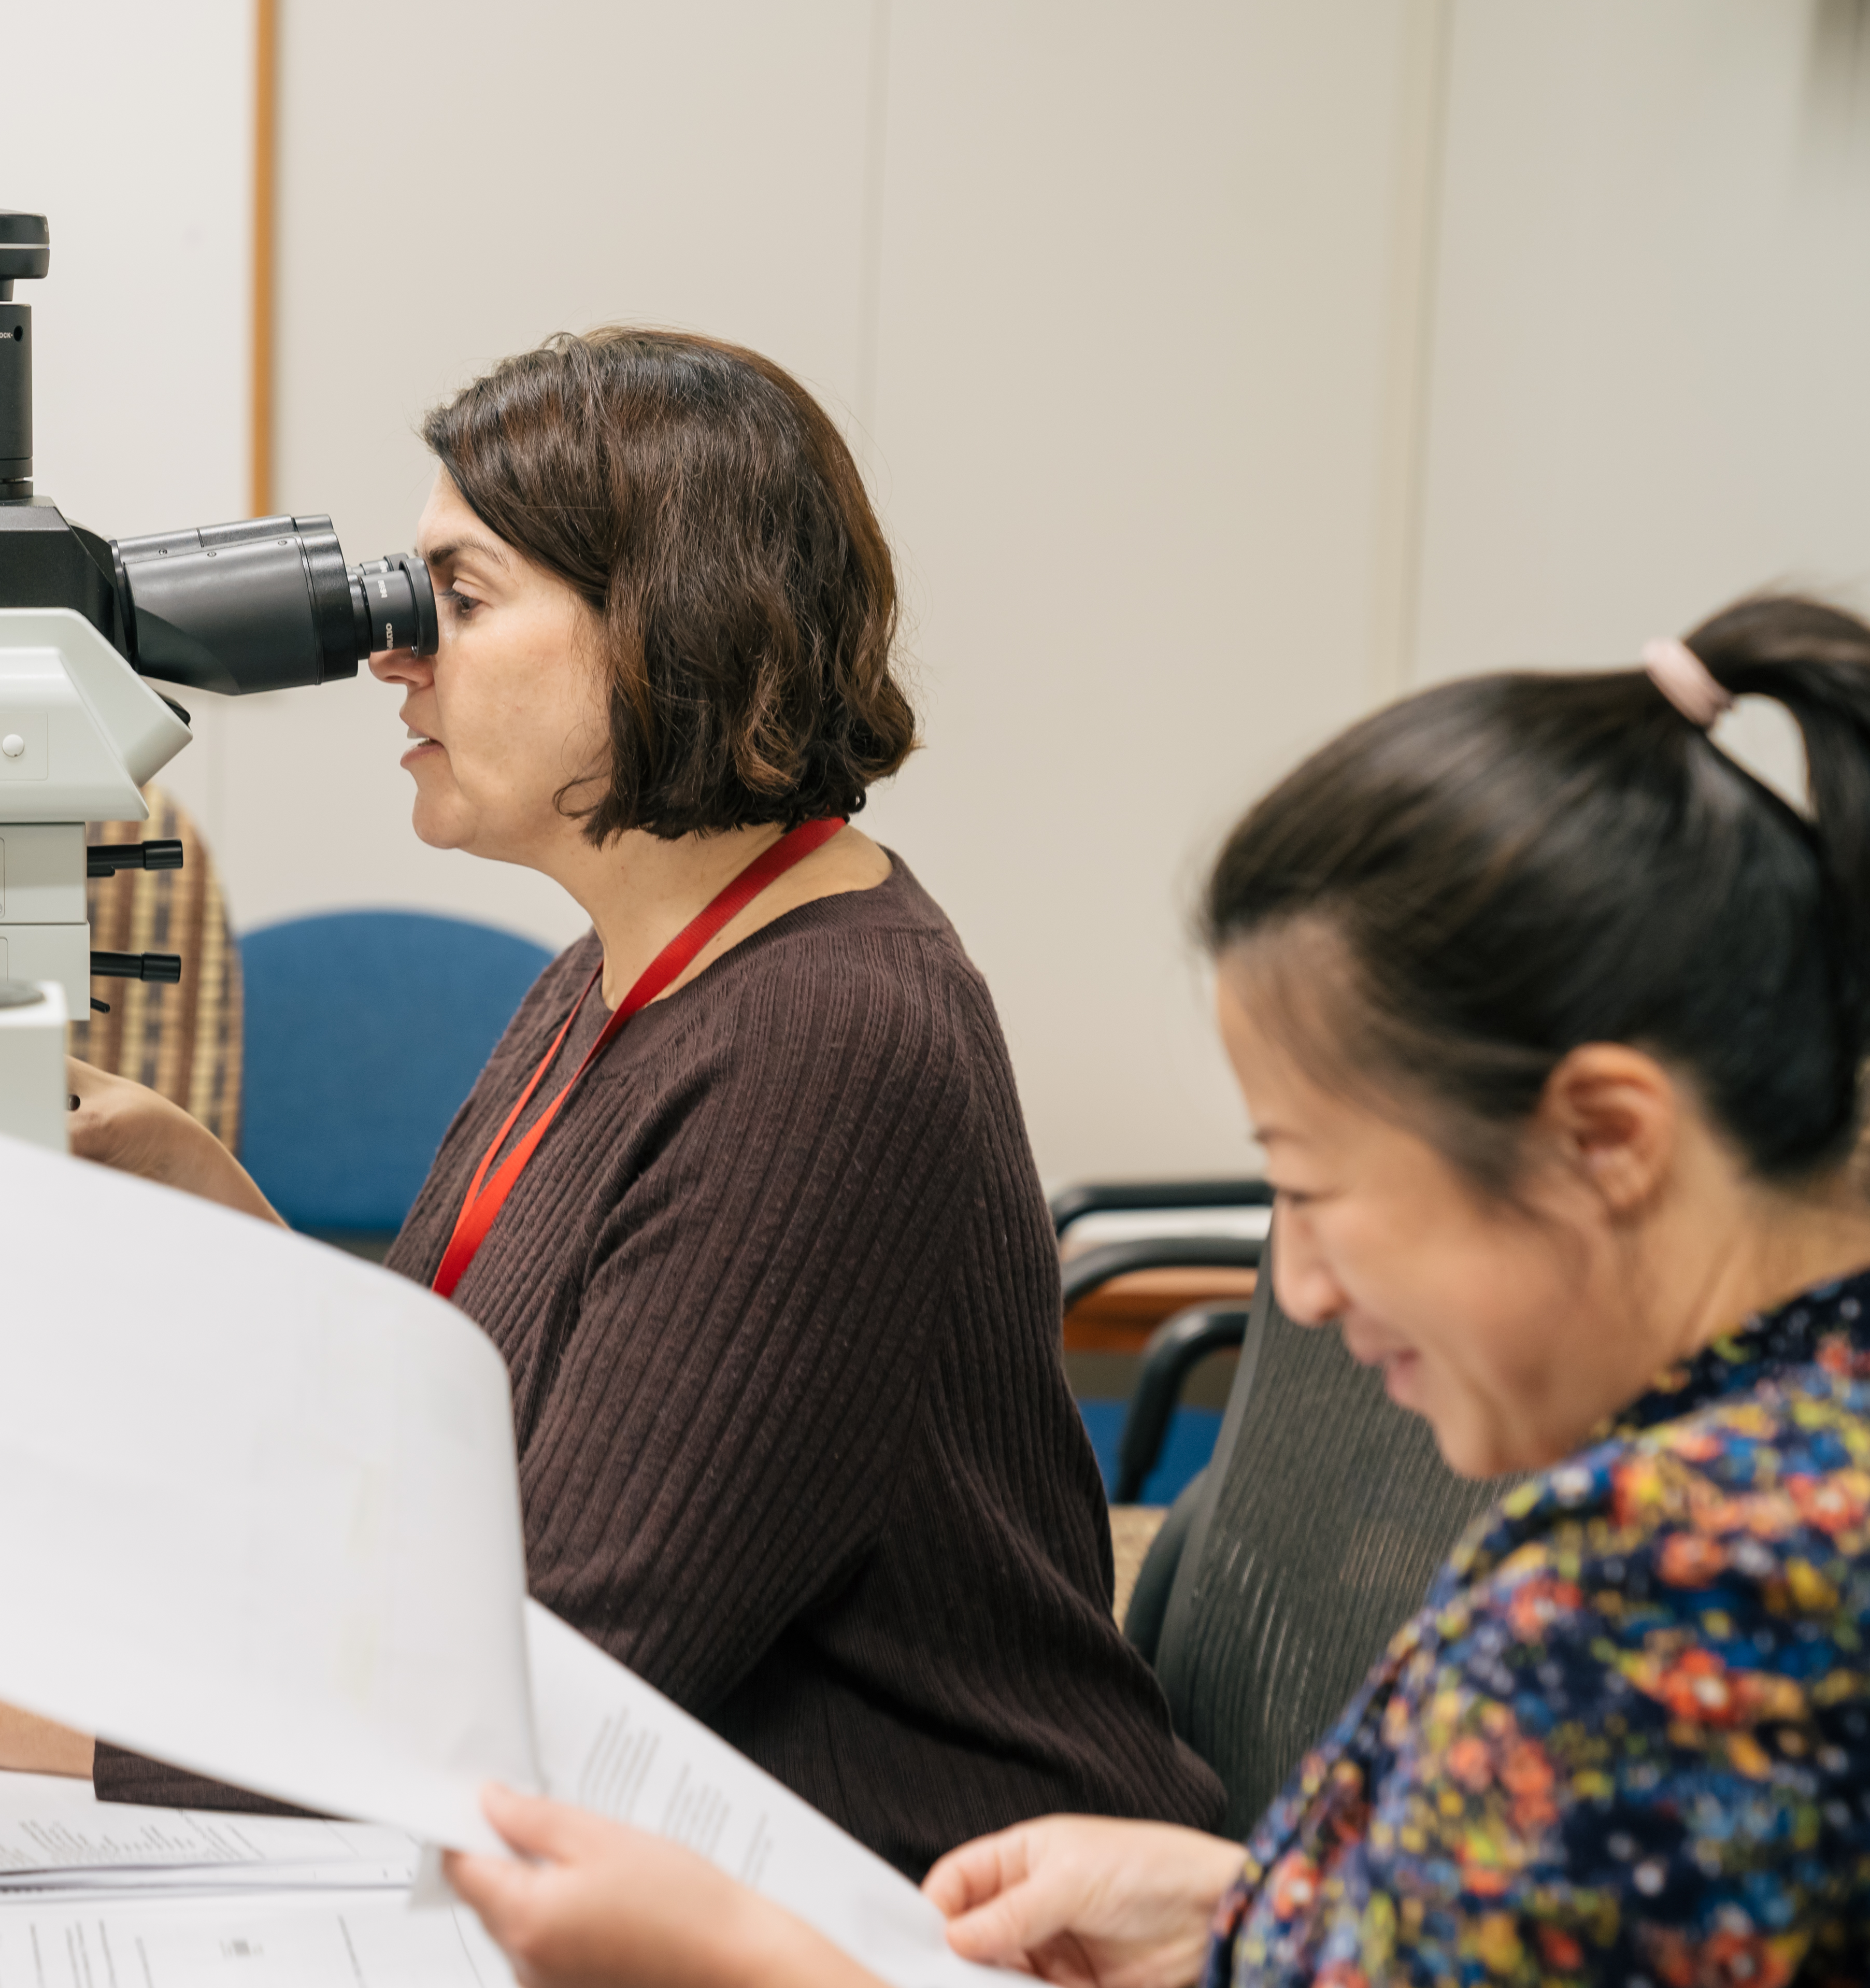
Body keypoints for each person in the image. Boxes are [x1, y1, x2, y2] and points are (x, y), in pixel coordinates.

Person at [0, 328, 1223, 1875]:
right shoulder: (629, 971)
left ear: (667, 631)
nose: (393, 650)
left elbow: (550, 1690)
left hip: (931, 1895)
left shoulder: (830, 1044)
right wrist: (197, 1190)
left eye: (464, 598)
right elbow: (470, 1450)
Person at [442, 593, 1870, 1988]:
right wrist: (1260, 1916)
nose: (1296, 1293)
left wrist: (764, 1972)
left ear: (1609, 1140)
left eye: (1309, 1190)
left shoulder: (1691, 1591)